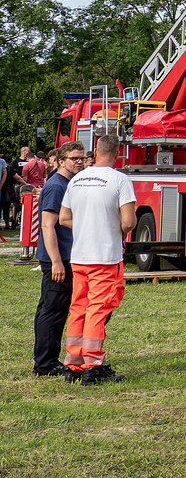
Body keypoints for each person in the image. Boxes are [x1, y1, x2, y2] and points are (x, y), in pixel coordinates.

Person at [58, 135, 136, 383]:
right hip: (105, 256)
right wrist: (114, 228)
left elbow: (64, 218)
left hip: (79, 255)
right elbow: (129, 222)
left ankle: (73, 364)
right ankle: (93, 365)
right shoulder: (119, 180)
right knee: (97, 310)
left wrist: (87, 226)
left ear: (95, 151)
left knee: (78, 309)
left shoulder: (77, 179)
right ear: (117, 152)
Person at [33, 144, 85, 376]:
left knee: (54, 308)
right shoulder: (56, 186)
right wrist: (55, 261)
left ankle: (47, 360)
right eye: (74, 158)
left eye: (82, 158)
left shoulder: (67, 183)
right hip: (58, 259)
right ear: (60, 161)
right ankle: (45, 364)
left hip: (64, 257)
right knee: (52, 310)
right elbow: (47, 225)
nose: (79, 162)